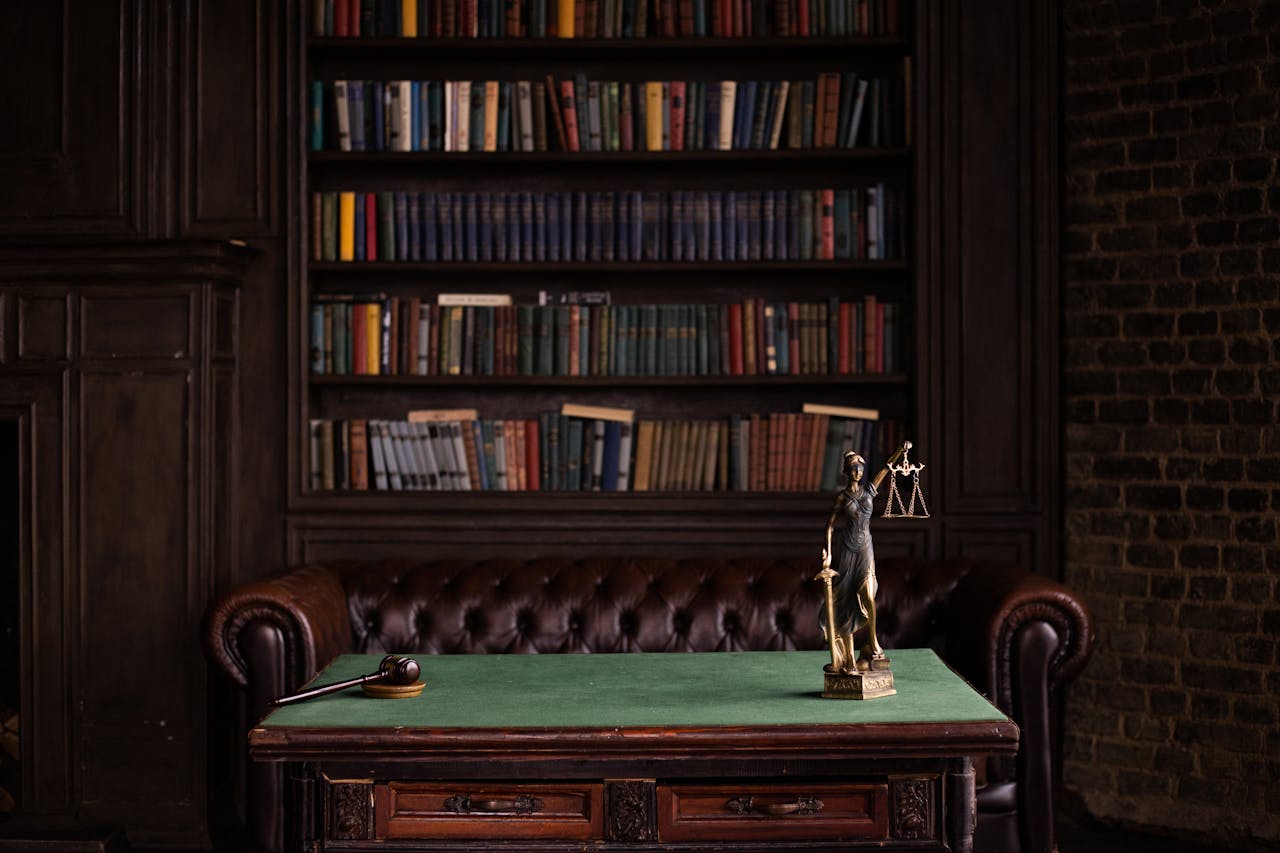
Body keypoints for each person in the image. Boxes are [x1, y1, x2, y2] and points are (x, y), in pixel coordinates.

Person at [819, 442, 908, 674]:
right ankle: (847, 657)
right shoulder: (842, 497)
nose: (857, 471)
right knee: (846, 599)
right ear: (846, 472)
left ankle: (873, 640)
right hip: (847, 550)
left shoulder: (869, 490)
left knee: (868, 594)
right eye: (853, 468)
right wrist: (827, 551)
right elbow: (829, 526)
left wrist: (900, 450)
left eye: (860, 467)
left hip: (865, 548)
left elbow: (887, 468)